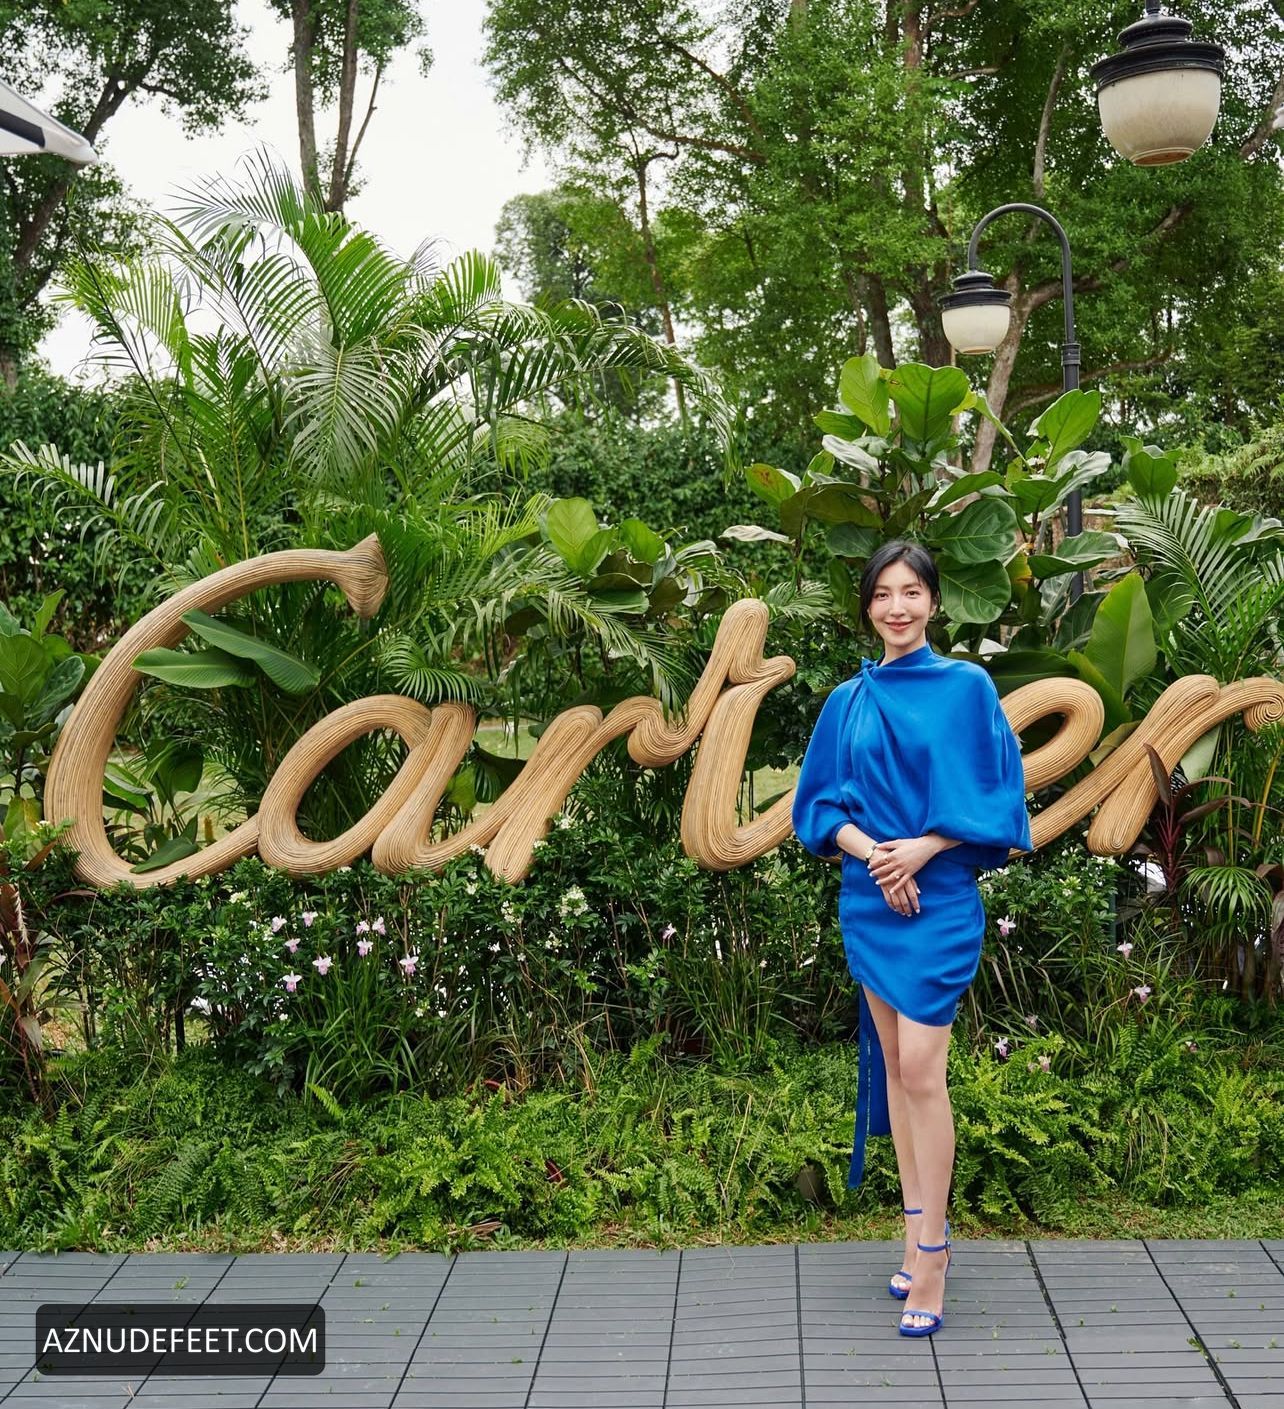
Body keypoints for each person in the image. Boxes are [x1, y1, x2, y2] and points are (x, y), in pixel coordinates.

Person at [791, 539, 1031, 1338]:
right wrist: (877, 855)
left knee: (925, 1069)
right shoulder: (847, 701)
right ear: (868, 607)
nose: (897, 607)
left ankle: (934, 1252)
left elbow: (997, 800)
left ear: (934, 601)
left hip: (939, 902)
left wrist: (920, 850)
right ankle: (911, 1226)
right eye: (882, 594)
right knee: (896, 1068)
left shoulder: (967, 688)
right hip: (870, 901)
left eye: (911, 592)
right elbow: (818, 808)